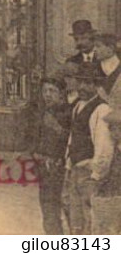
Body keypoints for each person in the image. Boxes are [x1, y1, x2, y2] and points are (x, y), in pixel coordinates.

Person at [64, 63, 114, 234]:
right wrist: (69, 165)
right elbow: (73, 138)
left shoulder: (102, 109)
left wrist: (96, 175)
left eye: (89, 83)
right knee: (75, 217)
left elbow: (104, 147)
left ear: (97, 85)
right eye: (80, 82)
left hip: (89, 173)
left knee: (90, 218)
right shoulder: (78, 106)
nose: (83, 87)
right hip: (76, 171)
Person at [33, 75, 72, 234]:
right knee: (48, 210)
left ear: (62, 93)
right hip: (45, 167)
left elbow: (72, 140)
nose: (47, 95)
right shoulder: (45, 111)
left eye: (52, 91)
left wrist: (56, 127)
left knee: (66, 209)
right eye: (45, 91)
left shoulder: (69, 112)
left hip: (61, 168)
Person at [94, 33, 121, 99]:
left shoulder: (119, 69)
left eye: (98, 46)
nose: (94, 49)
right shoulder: (94, 69)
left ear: (110, 48)